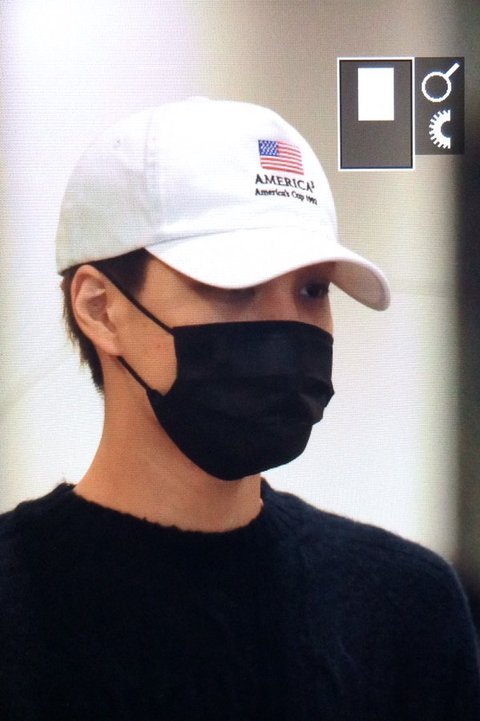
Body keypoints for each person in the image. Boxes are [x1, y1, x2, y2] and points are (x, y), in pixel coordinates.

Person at [0, 98, 478, 720]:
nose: (286, 326)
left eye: (312, 289)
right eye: (235, 287)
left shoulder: (403, 607)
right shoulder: (17, 602)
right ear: (100, 308)